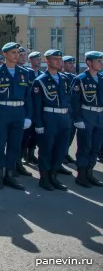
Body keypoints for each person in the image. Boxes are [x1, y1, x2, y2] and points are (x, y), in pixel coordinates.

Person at [0, 42, 33, 190]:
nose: (16, 55)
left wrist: (28, 116)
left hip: (18, 113)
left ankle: (10, 175)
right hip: (2, 112)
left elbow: (28, 97)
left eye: (17, 52)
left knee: (15, 146)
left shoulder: (24, 73)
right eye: (13, 52)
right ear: (5, 54)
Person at [32, 49, 71, 191]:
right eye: (55, 59)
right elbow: (36, 105)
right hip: (49, 118)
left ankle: (54, 176)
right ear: (47, 61)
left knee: (61, 149)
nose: (59, 61)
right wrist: (39, 124)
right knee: (46, 149)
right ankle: (44, 178)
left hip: (64, 118)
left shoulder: (64, 79)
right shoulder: (40, 81)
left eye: (60, 59)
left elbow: (68, 100)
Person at [70, 51, 103, 188]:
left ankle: (90, 172)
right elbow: (74, 101)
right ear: (89, 62)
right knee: (85, 146)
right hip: (86, 114)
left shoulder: (101, 78)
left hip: (100, 116)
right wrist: (77, 118)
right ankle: (82, 175)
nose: (101, 63)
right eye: (98, 61)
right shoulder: (81, 79)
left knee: (96, 146)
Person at [61, 55, 77, 165]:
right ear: (63, 64)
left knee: (71, 133)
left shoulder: (74, 77)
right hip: (65, 110)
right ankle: (61, 155)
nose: (72, 65)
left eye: (73, 63)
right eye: (69, 63)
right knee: (64, 135)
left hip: (73, 110)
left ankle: (65, 153)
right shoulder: (62, 76)